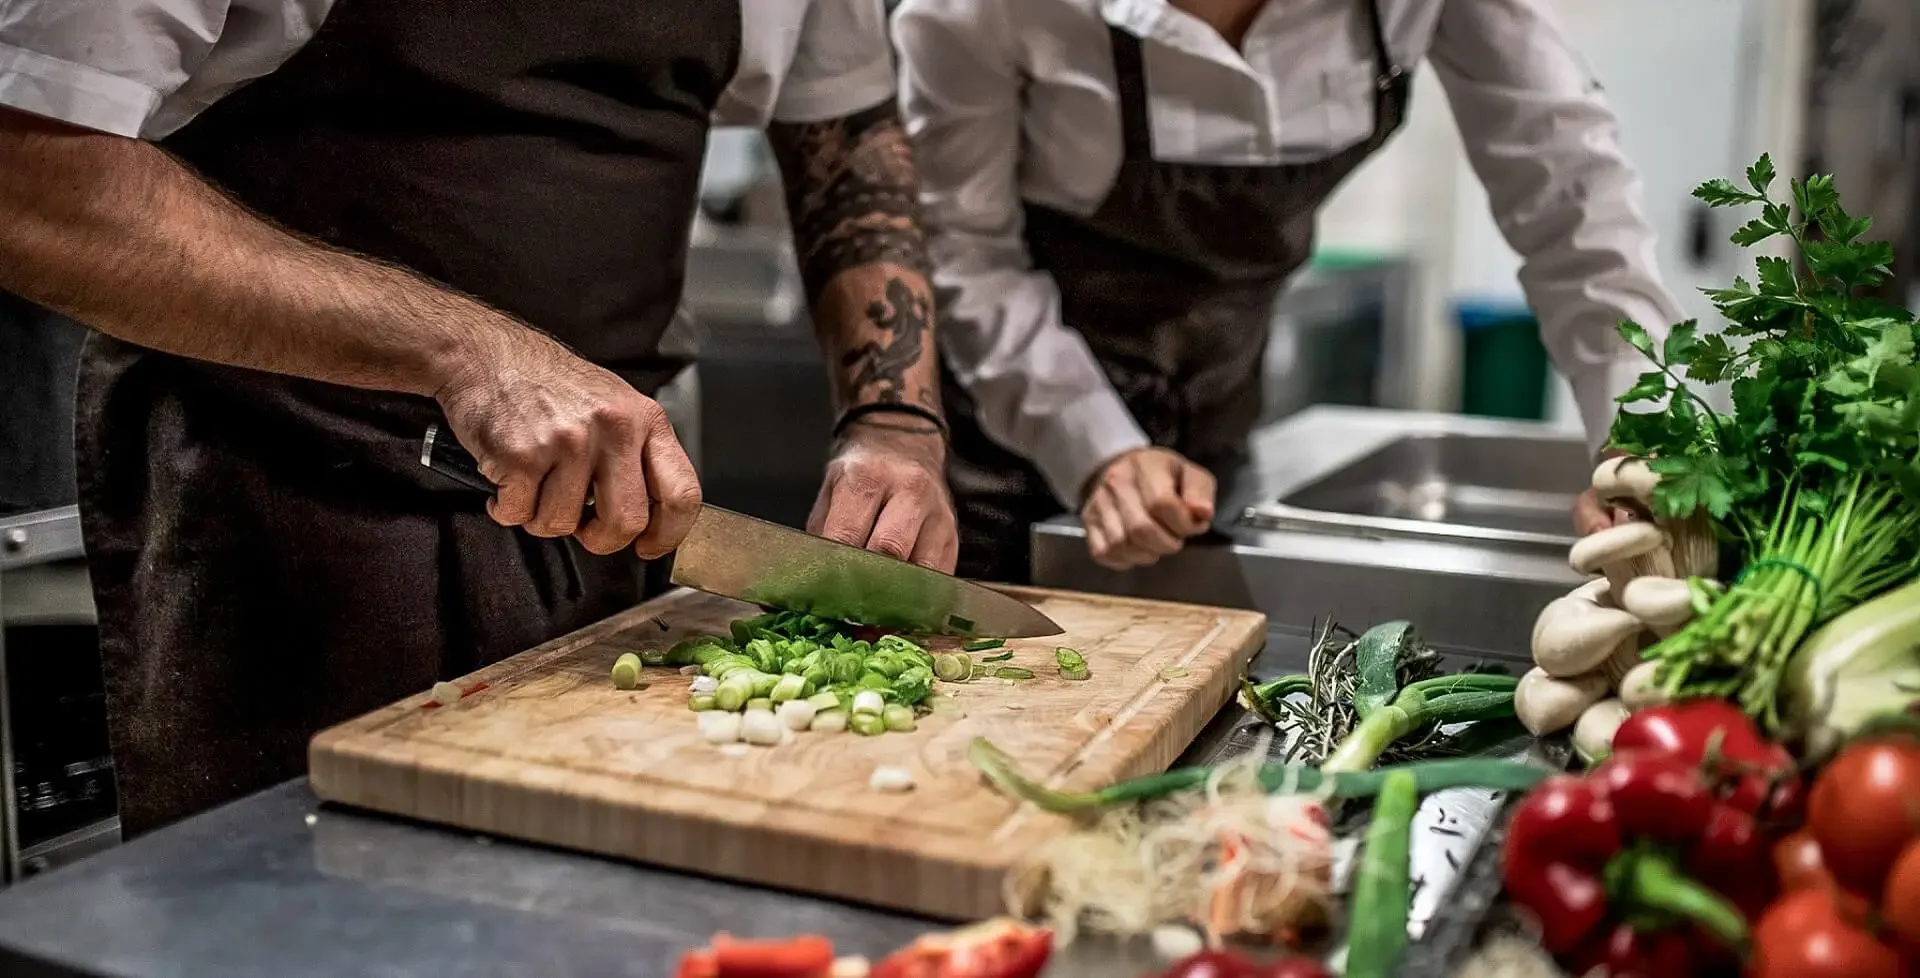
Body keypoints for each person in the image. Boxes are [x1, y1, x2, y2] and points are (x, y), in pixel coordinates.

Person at [0, 0, 953, 835]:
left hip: (600, 521)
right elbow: (27, 175)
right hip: (284, 515)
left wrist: (897, 414)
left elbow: (849, 137)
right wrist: (464, 350)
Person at [893, 0, 1680, 582]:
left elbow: (1572, 200)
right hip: (1000, 453)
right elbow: (965, 254)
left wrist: (1639, 441)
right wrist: (1093, 443)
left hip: (1221, 424)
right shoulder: (982, 10)